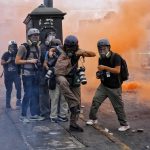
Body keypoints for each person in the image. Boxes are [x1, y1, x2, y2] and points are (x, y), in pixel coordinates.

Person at [86, 38, 130, 132]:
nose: (101, 50)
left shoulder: (116, 57)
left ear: (108, 48)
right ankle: (93, 118)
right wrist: (99, 74)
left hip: (114, 87)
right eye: (100, 48)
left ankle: (124, 124)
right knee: (95, 101)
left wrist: (104, 67)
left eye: (103, 48)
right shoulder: (100, 58)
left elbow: (117, 70)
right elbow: (102, 70)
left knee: (118, 107)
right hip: (104, 85)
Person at [55, 35, 96, 132]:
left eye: (72, 47)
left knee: (78, 102)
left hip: (74, 77)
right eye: (68, 46)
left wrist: (81, 52)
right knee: (63, 83)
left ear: (76, 46)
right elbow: (53, 49)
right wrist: (51, 52)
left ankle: (73, 124)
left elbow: (93, 54)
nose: (70, 49)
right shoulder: (59, 50)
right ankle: (73, 104)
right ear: (65, 45)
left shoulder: (78, 51)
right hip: (61, 75)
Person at [15, 28, 44, 123]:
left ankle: (34, 114)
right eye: (33, 35)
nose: (36, 37)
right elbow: (17, 61)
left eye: (37, 35)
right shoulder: (23, 47)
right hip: (26, 75)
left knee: (35, 94)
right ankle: (23, 116)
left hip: (35, 74)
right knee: (28, 94)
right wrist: (29, 61)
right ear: (29, 37)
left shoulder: (38, 47)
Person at [43, 38, 69, 123]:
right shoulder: (48, 53)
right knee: (54, 98)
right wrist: (50, 69)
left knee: (64, 97)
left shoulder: (64, 53)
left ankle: (63, 115)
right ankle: (53, 116)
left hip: (63, 77)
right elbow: (45, 63)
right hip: (53, 78)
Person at [1, 40, 21, 109]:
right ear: (9, 47)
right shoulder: (5, 54)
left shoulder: (17, 54)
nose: (14, 48)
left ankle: (18, 101)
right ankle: (7, 104)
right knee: (9, 90)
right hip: (8, 76)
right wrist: (7, 61)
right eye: (12, 46)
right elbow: (2, 62)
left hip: (16, 75)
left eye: (15, 46)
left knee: (18, 87)